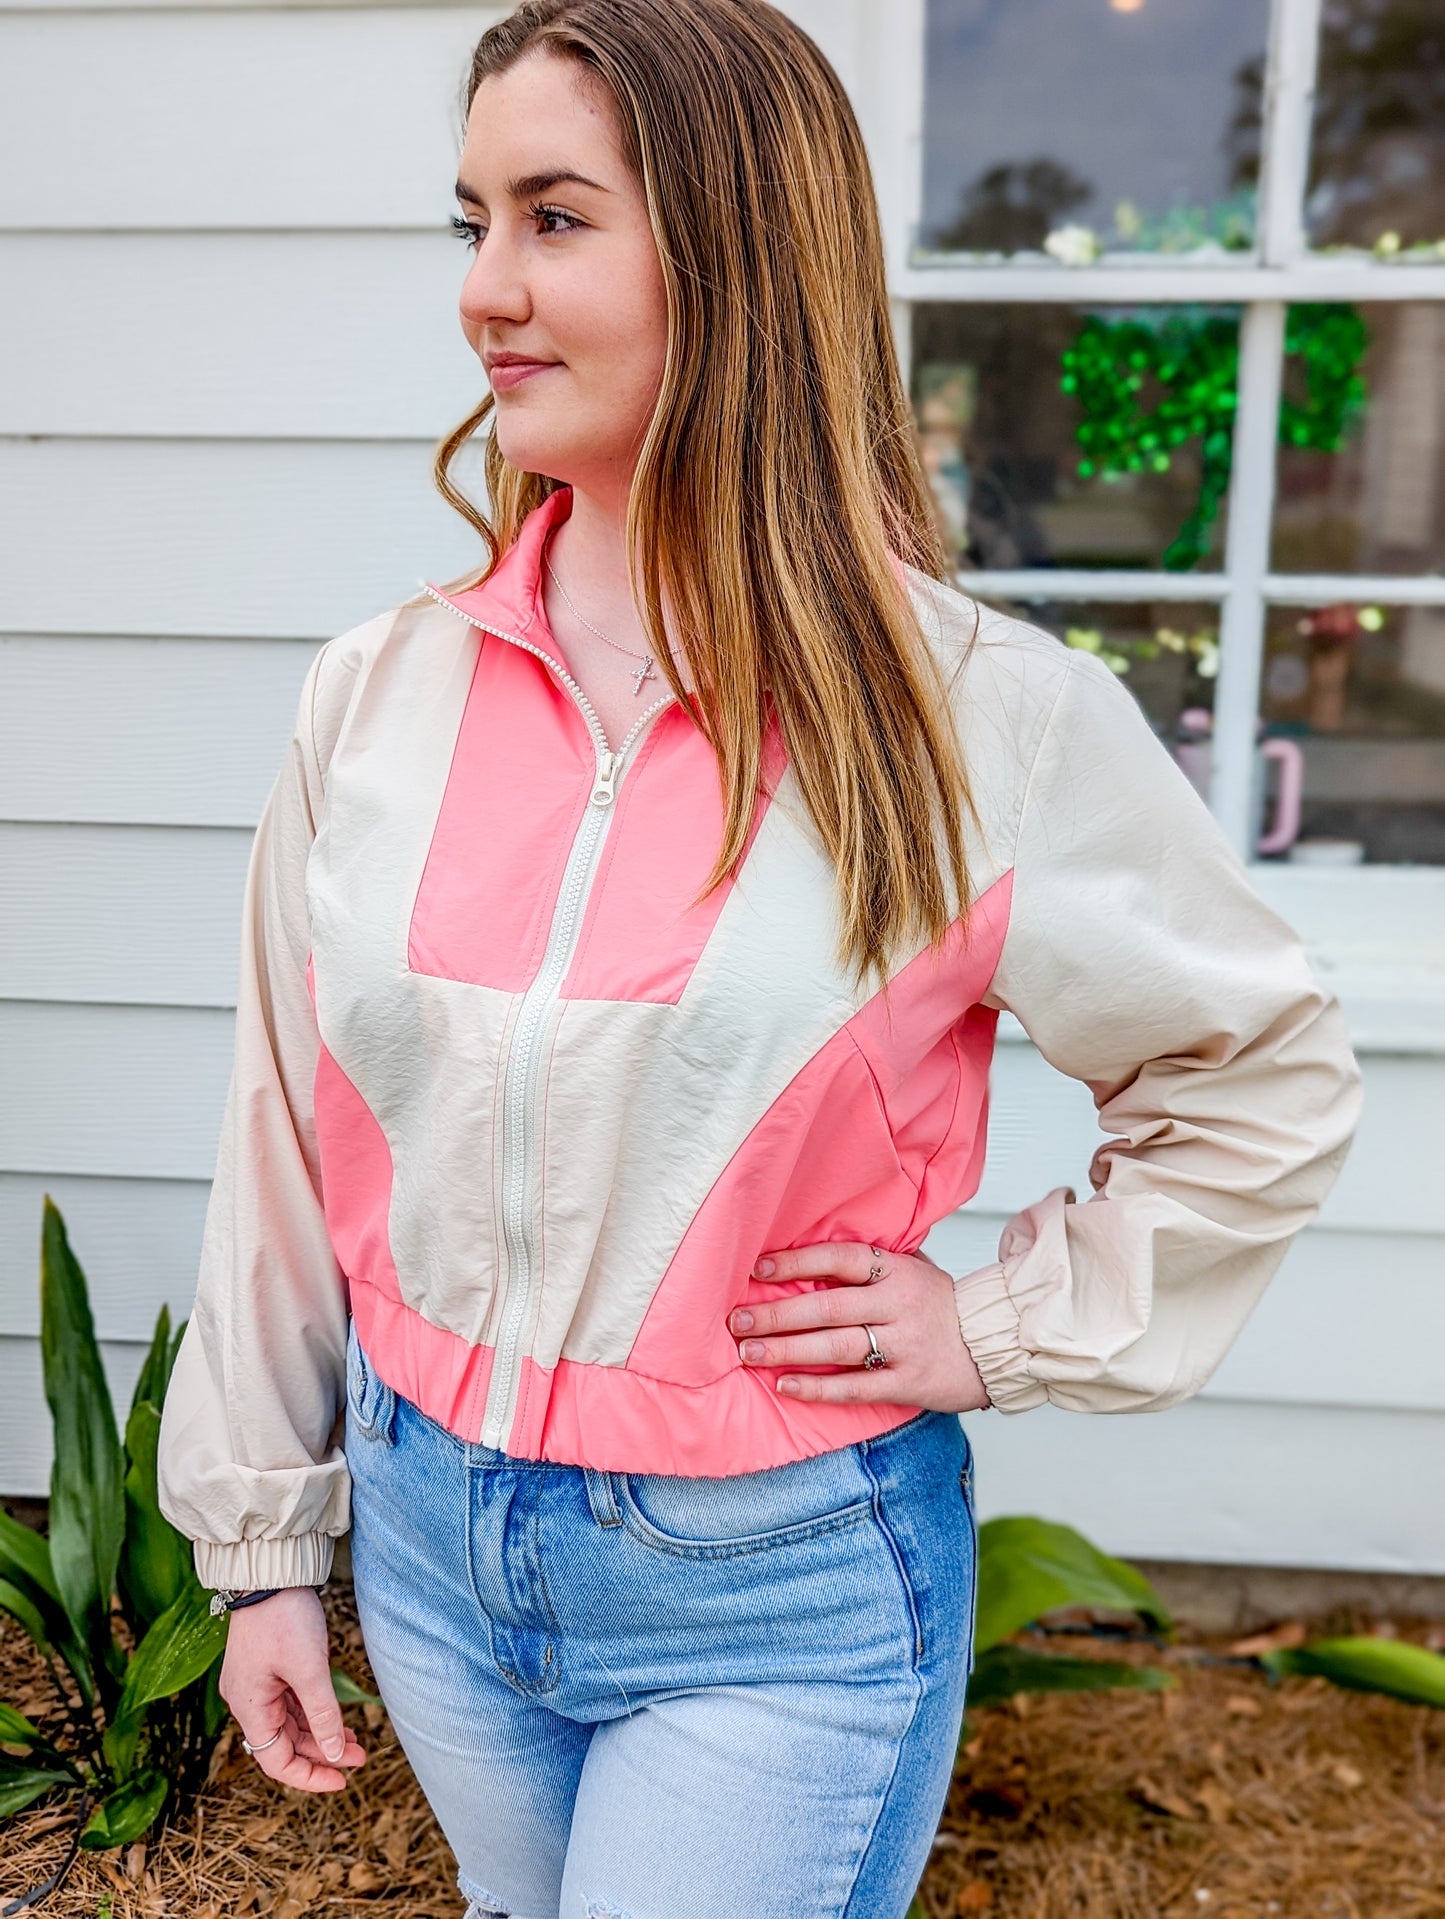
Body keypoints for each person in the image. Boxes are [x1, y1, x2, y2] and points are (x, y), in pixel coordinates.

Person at [154, 2, 1363, 1914]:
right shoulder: (376, 696)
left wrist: (996, 1321)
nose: (485, 288)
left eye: (554, 217)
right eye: (464, 220)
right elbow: (289, 1141)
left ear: (737, 254)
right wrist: (265, 1549)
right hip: (429, 1539)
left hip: (774, 1580)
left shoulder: (970, 719)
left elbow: (1259, 1073)